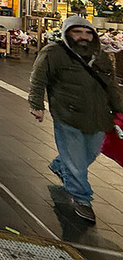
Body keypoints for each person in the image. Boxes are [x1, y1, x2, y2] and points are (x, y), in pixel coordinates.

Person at [28, 15, 123, 223]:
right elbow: (38, 78)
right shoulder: (54, 52)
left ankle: (59, 165)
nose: (83, 37)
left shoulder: (100, 56)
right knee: (76, 160)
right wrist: (36, 104)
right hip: (67, 114)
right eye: (77, 32)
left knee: (90, 152)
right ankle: (82, 198)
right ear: (67, 33)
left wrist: (119, 108)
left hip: (98, 116)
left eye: (88, 33)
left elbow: (111, 85)